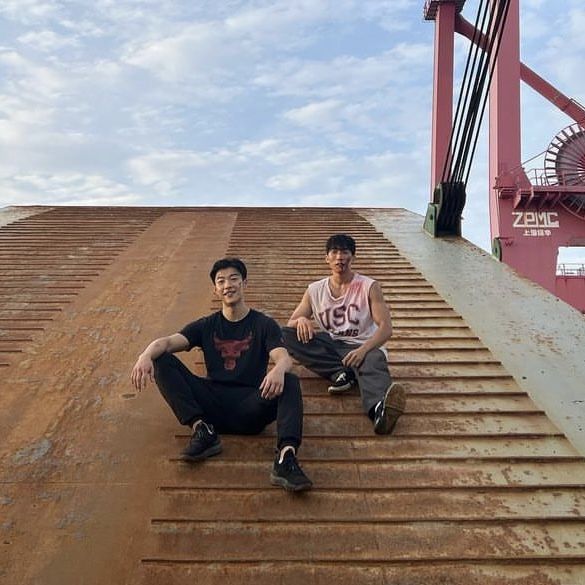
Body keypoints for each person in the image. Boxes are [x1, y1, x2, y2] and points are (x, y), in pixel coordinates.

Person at [131, 257, 312, 492]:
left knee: (290, 380)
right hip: (211, 404)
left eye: (234, 279)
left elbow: (284, 357)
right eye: (221, 281)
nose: (228, 285)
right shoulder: (206, 325)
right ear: (216, 289)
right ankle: (202, 430)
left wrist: (277, 369)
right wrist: (144, 355)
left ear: (244, 283)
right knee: (161, 360)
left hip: (250, 406)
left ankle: (285, 459)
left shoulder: (264, 324)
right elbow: (167, 342)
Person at [283, 234, 405, 435]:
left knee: (373, 360)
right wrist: (302, 320)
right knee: (285, 335)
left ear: (353, 257)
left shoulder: (369, 286)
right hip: (332, 345)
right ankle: (341, 373)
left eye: (345, 252)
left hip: (364, 345)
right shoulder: (315, 290)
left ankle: (379, 411)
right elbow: (291, 323)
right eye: (335, 252)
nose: (340, 257)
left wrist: (363, 350)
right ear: (327, 258)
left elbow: (386, 328)